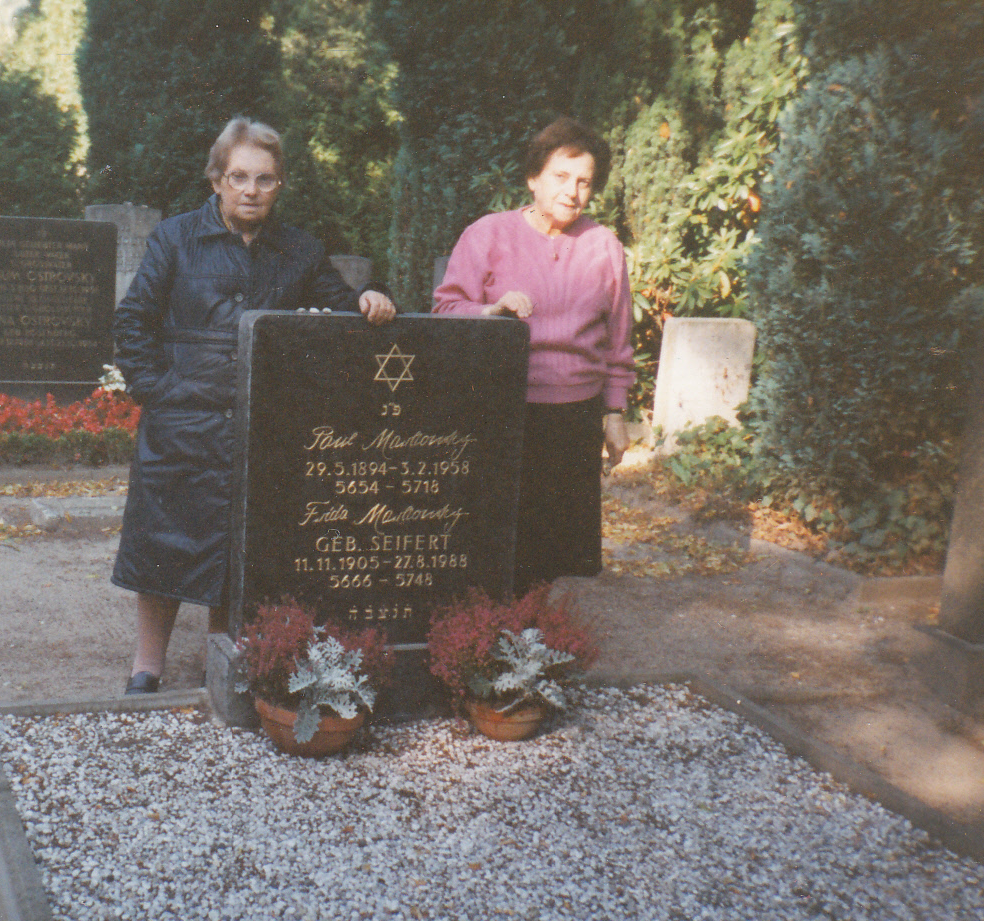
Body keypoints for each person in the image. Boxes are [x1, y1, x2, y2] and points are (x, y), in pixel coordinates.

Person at [112, 116, 397, 695]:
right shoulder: (175, 238)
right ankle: (148, 667)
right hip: (181, 421)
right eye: (238, 177)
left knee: (239, 550)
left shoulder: (300, 250)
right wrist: (159, 394)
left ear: (279, 186)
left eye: (265, 180)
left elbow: (343, 313)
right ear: (216, 180)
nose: (251, 190)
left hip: (258, 428)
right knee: (162, 544)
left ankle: (227, 663)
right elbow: (133, 322)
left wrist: (369, 299)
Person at [433, 116, 633, 593]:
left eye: (584, 182)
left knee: (560, 556)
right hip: (503, 411)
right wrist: (491, 310)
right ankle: (486, 646)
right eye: (561, 176)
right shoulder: (488, 235)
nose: (572, 191)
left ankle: (543, 652)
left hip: (574, 415)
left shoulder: (604, 247)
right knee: (498, 546)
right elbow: (445, 308)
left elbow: (618, 339)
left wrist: (615, 411)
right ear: (533, 178)